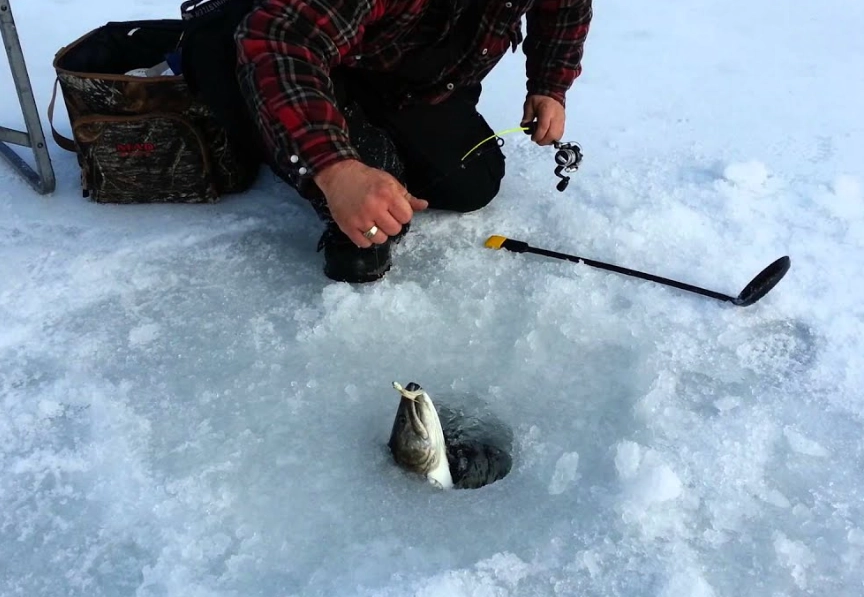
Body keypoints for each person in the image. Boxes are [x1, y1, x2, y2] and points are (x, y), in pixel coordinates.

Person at [233, 0, 593, 283]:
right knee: (368, 219)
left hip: (412, 76)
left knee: (470, 183)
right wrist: (336, 169)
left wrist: (549, 85)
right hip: (318, 57)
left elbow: (565, 9)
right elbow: (281, 39)